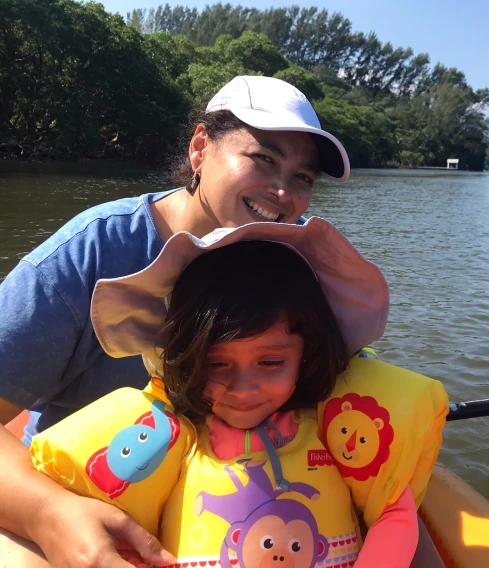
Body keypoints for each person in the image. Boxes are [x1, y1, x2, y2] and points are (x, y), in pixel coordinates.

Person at [0, 75, 351, 567]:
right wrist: (48, 514)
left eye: (303, 178)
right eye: (263, 159)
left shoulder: (300, 270)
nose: (281, 192)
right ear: (200, 148)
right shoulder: (90, 254)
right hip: (75, 505)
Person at [30, 219, 419, 568]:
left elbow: (393, 513)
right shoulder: (173, 443)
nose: (243, 389)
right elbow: (118, 535)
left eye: (270, 362)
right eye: (215, 364)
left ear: (308, 352)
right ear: (185, 359)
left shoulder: (336, 431)